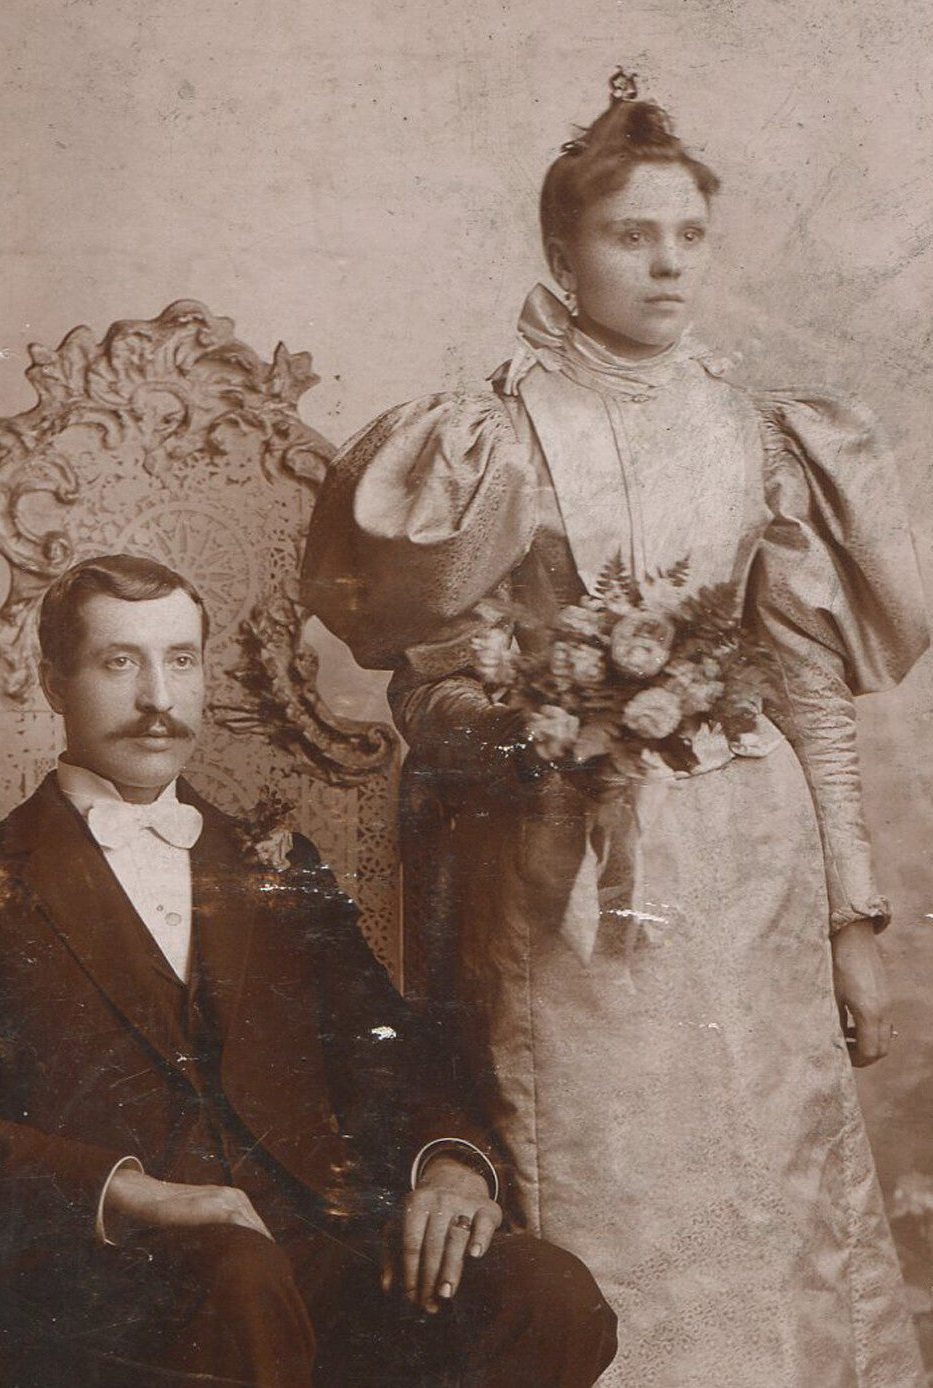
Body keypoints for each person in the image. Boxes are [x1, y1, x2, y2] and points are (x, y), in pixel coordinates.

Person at [300, 78, 930, 1387]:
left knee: (766, 1206)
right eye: (627, 235)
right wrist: (531, 731)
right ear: (560, 253)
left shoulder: (762, 439)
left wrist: (849, 924)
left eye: (685, 235)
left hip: (751, 903)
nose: (661, 262)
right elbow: (423, 689)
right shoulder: (491, 439)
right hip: (556, 894)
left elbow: (806, 691)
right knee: (588, 1192)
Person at [0, 553, 617, 1388]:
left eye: (181, 661)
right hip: (102, 1279)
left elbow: (389, 1047)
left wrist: (449, 1163)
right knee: (237, 1278)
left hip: (305, 1256)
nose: (159, 699)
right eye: (120, 663)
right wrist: (131, 1192)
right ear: (54, 683)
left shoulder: (273, 861)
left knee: (546, 1293)